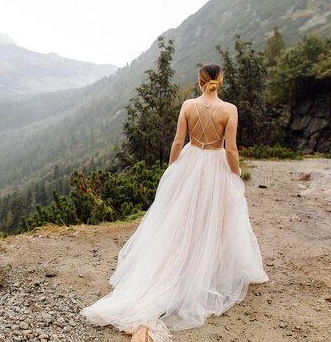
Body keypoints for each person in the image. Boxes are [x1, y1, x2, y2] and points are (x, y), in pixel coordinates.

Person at [79, 63, 269, 342]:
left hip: (190, 163)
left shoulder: (188, 105)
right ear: (221, 80)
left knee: (183, 220)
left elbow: (178, 142)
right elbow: (231, 150)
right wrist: (235, 175)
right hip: (215, 166)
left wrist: (173, 172)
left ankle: (174, 270)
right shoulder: (230, 110)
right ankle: (205, 266)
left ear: (199, 80)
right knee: (213, 219)